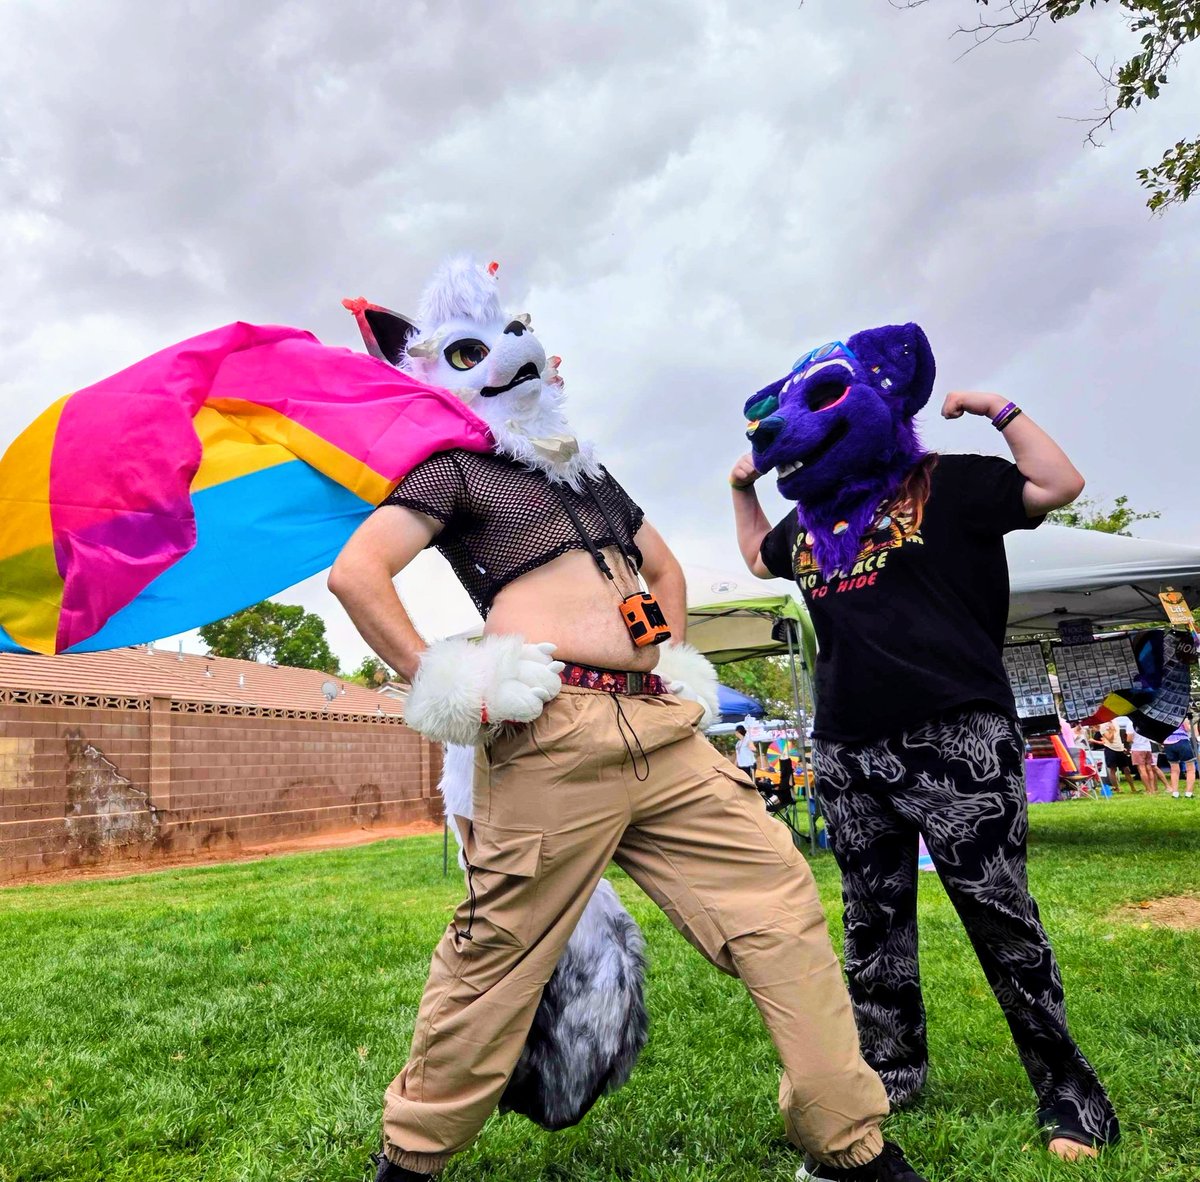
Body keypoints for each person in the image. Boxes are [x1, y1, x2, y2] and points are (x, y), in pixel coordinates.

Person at [331, 260, 927, 1182]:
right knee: (499, 952)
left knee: (781, 902)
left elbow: (666, 570)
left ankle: (849, 1143)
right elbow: (357, 576)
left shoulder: (593, 477)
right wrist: (446, 678)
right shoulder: (451, 471)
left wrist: (675, 662)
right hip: (552, 733)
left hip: (662, 730)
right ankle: (410, 1160)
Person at [731, 322, 1119, 1161]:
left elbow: (1059, 484)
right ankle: (891, 1071)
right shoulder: (811, 521)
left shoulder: (946, 482)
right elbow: (760, 560)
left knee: (1001, 917)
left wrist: (997, 408)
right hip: (847, 746)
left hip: (956, 735)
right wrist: (741, 488)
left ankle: (1070, 1096)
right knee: (872, 924)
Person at [1097, 719, 1137, 794]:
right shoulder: (1103, 726)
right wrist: (1112, 730)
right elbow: (1110, 740)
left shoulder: (1115, 722)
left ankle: (1133, 788)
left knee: (1126, 769)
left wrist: (1122, 747)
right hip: (1110, 749)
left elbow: (1118, 737)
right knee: (1113, 769)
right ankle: (1117, 789)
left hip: (1120, 749)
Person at [1161, 717, 1196, 798]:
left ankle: (1175, 793)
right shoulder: (1181, 715)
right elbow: (1187, 728)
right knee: (1190, 769)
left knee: (1174, 770)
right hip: (1182, 740)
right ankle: (1189, 793)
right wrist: (1192, 724)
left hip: (1168, 743)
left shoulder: (1164, 717)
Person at [1124, 719, 1159, 794]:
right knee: (1149, 769)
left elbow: (1129, 739)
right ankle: (1153, 789)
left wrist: (1130, 741)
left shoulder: (1130, 724)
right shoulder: (1145, 722)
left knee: (1142, 769)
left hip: (1137, 748)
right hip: (1148, 748)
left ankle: (1148, 790)